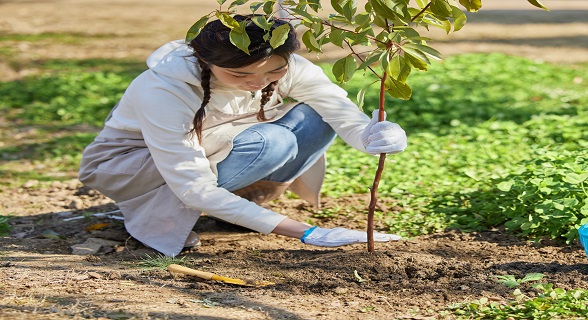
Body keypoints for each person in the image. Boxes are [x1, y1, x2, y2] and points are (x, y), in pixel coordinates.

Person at [78, 14, 406, 257]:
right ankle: (174, 219)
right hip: (133, 165)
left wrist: (372, 135)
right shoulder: (165, 88)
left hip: (220, 145)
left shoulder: (290, 67)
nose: (259, 83)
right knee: (273, 142)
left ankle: (244, 210)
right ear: (205, 61)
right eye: (240, 74)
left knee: (314, 116)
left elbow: (337, 110)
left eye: (274, 71)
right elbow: (192, 185)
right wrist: (306, 232)